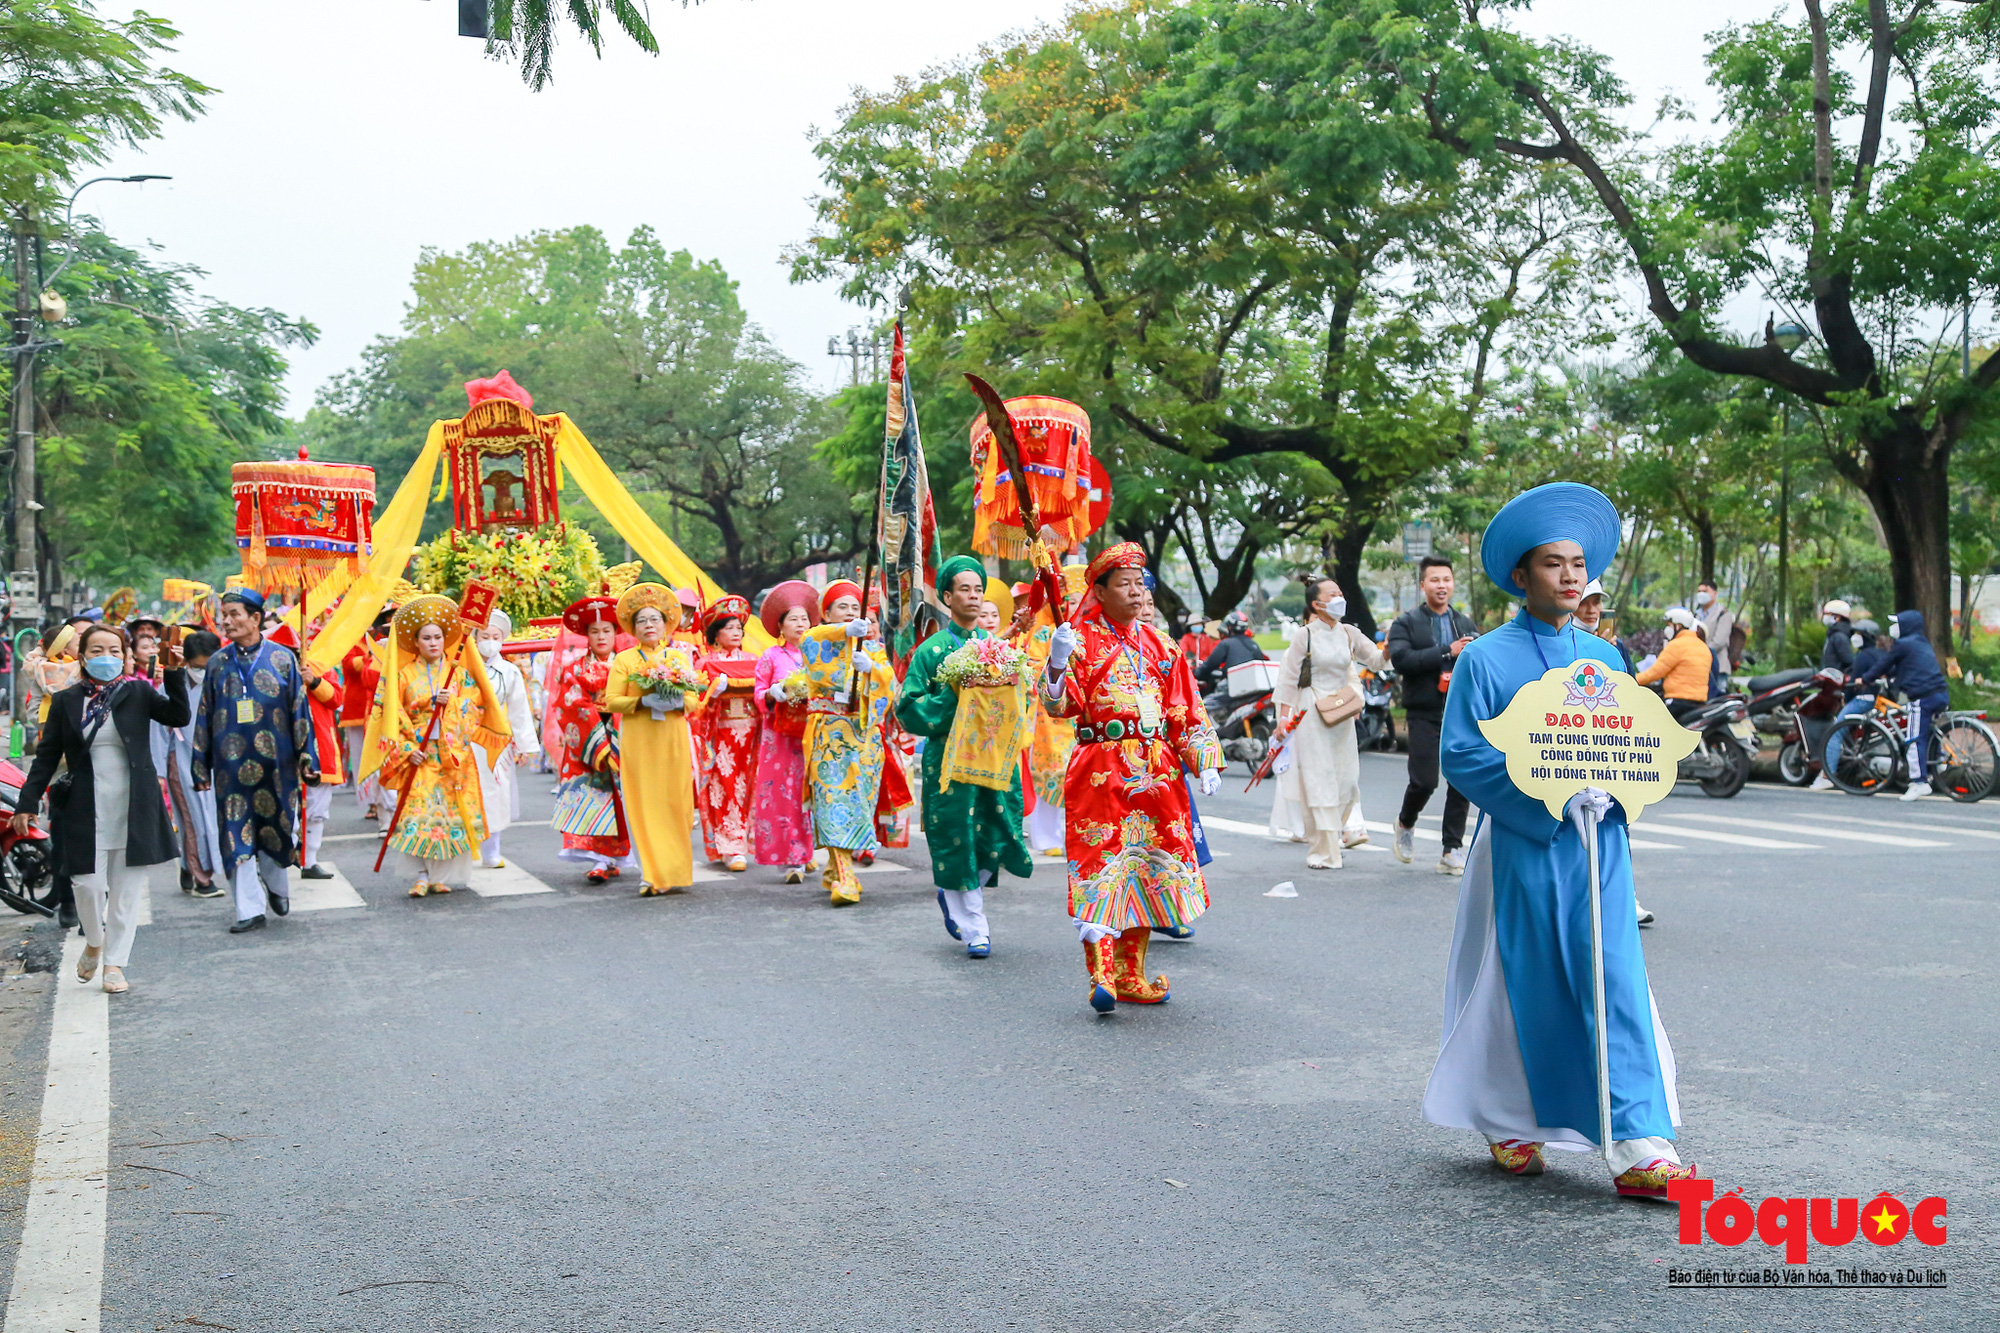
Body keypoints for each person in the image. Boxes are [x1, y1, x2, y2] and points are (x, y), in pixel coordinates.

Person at [1423, 481, 1694, 1198]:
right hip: (1524, 843)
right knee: (1523, 983)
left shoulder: (1605, 657)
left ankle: (1639, 1139)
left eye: (1577, 563)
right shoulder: (1485, 659)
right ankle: (1509, 1116)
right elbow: (1463, 754)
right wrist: (1548, 796)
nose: (1570, 575)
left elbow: (1635, 742)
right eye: (1553, 563)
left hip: (1600, 846)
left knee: (1613, 974)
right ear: (1521, 575)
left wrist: (1617, 792)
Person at [1040, 544, 1221, 1010]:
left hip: (1157, 769)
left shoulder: (1163, 645)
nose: (1137, 591)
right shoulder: (1077, 639)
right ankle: (1101, 972)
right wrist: (1058, 665)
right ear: (1098, 591)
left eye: (1141, 583)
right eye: (1125, 583)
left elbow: (1185, 708)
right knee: (1102, 863)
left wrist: (1203, 760)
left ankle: (1131, 973)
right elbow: (1060, 706)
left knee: (1148, 864)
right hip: (1102, 766)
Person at [14, 624, 190, 994]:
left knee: (126, 893)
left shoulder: (138, 691)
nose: (106, 657)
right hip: (85, 807)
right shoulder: (66, 700)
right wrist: (27, 803)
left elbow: (178, 716)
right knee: (87, 886)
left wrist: (174, 673)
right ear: (82, 656)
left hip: (133, 805)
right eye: (96, 650)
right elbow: (46, 758)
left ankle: (114, 965)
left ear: (125, 656)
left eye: (114, 650)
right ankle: (95, 941)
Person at [896, 555, 1035, 958]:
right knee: (958, 839)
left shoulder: (998, 650)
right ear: (946, 596)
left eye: (978, 589)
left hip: (995, 758)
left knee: (995, 832)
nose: (973, 597)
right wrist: (954, 694)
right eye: (965, 589)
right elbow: (909, 708)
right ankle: (975, 925)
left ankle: (954, 894)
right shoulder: (932, 650)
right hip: (950, 763)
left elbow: (1016, 699)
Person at [191, 587, 319, 934]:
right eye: (224, 615)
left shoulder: (283, 659)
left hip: (278, 766)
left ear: (256, 618)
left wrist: (308, 755)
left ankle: (277, 888)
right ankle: (248, 909)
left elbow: (299, 710)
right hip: (230, 769)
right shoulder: (217, 662)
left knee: (276, 828)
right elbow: (204, 715)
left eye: (234, 614)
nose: (227, 621)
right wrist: (200, 763)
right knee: (235, 834)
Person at [368, 595, 508, 896]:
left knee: (448, 815)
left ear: (445, 640)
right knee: (417, 814)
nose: (433, 643)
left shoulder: (458, 674)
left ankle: (439, 875)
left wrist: (453, 704)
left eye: (437, 637)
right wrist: (408, 749)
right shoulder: (404, 675)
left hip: (451, 756)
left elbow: (475, 707)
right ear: (415, 642)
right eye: (426, 638)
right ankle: (420, 874)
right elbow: (394, 716)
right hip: (419, 755)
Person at [1272, 573, 1388, 871]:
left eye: (1340, 593)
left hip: (1340, 712)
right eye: (1332, 595)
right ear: (1317, 604)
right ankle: (1323, 851)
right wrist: (1283, 719)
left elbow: (1374, 660)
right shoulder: (1304, 635)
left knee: (1347, 779)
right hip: (1311, 711)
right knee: (1319, 779)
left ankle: (1333, 835)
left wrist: (1391, 647)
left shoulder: (1349, 632)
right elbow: (1287, 681)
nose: (1340, 599)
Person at [593, 584, 702, 895]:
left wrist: (678, 702)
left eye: (655, 619)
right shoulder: (625, 660)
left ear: (666, 624)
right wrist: (642, 702)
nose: (649, 626)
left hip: (672, 738)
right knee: (644, 803)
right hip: (639, 739)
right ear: (634, 627)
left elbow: (694, 700)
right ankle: (651, 874)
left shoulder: (679, 658)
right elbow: (611, 700)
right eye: (642, 621)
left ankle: (676, 871)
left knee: (674, 803)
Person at [796, 580, 896, 906]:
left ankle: (835, 868)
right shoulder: (817, 639)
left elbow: (889, 687)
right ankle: (846, 879)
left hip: (865, 738)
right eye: (842, 607)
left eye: (856, 608)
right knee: (834, 801)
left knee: (859, 805)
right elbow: (810, 642)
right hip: (829, 736)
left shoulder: (874, 649)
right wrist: (842, 633)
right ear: (825, 613)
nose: (851, 613)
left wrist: (872, 673)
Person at [1387, 555, 1478, 875]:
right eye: (1435, 580)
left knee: (1462, 781)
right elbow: (1401, 659)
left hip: (1459, 711)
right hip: (1423, 711)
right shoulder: (1406, 623)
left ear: (1453, 584)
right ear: (1423, 584)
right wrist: (1445, 652)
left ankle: (1452, 848)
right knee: (1425, 781)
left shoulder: (1464, 623)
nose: (1442, 586)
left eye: (1447, 580)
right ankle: (1405, 822)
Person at [1572, 583, 1655, 927]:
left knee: (1617, 818)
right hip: (1570, 750)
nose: (1592, 611)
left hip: (1609, 749)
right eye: (1586, 604)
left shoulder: (1614, 647)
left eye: (1597, 604)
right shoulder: (1565, 644)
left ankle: (1624, 895)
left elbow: (1631, 692)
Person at [550, 594, 635, 883]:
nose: (601, 636)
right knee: (593, 799)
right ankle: (598, 860)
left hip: (622, 736)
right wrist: (598, 740)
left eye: (607, 630)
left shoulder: (628, 666)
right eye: (595, 631)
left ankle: (615, 858)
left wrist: (616, 730)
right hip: (586, 743)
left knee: (621, 800)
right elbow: (570, 704)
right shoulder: (573, 669)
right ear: (586, 635)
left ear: (616, 633)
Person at [1015, 566, 1087, 857]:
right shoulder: (1044, 630)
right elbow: (1032, 665)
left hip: (1080, 715)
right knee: (1051, 771)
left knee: (1078, 776)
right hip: (1049, 714)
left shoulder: (1086, 632)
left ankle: (1073, 835)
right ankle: (1046, 836)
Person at [753, 580, 818, 882]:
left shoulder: (821, 653)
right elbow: (758, 692)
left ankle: (806, 852)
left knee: (810, 790)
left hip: (812, 732)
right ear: (780, 625)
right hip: (780, 735)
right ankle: (792, 858)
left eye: (804, 618)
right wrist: (773, 693)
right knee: (784, 793)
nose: (800, 624)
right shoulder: (771, 656)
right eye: (793, 619)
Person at [269, 622, 344, 880]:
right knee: (283, 807)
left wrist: (313, 681)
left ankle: (310, 860)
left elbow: (336, 699)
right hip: (282, 748)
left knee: (318, 808)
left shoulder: (319, 667)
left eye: (292, 651)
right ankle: (284, 856)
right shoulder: (263, 672)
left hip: (319, 746)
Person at [1853, 610, 1951, 801]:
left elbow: (1884, 664)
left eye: (1896, 624)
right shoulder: (1921, 642)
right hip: (1940, 693)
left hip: (1922, 697)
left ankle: (1918, 783)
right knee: (1928, 732)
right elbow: (1903, 666)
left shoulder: (1902, 644)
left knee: (1914, 738)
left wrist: (1865, 679)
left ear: (1906, 626)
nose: (1892, 628)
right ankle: (1936, 764)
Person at [694, 595, 760, 872]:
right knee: (725, 786)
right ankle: (729, 845)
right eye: (729, 627)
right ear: (716, 634)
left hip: (753, 731)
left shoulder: (754, 660)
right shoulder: (705, 664)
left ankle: (742, 839)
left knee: (749, 787)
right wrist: (712, 693)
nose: (736, 632)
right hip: (721, 734)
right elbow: (695, 705)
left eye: (738, 627)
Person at [472, 610, 540, 868]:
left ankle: (492, 850)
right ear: (475, 638)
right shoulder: (463, 668)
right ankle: (468, 848)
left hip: (497, 740)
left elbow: (519, 709)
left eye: (495, 636)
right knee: (468, 790)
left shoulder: (509, 671)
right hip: (466, 738)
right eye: (484, 635)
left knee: (495, 792)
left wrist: (523, 746)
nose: (489, 640)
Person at [161, 629, 226, 897]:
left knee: (214, 819)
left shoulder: (225, 680)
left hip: (218, 761)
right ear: (186, 661)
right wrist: (158, 769)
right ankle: (202, 878)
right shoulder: (170, 685)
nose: (203, 671)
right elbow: (158, 730)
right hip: (183, 759)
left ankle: (190, 864)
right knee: (193, 819)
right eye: (198, 666)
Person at [341, 614, 386, 816]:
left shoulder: (383, 640)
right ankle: (371, 802)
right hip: (357, 706)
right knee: (361, 756)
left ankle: (386, 800)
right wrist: (371, 655)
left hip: (380, 705)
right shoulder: (351, 640)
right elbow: (351, 666)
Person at [1634, 607, 1711, 722]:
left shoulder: (1676, 645)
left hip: (1678, 701)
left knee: (1651, 723)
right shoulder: (1703, 646)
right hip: (1700, 701)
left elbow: (1655, 673)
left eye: (1669, 625)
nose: (1667, 629)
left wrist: (1632, 680)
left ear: (1678, 625)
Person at [1192, 610, 1268, 697]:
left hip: (1231, 687)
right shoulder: (1253, 644)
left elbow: (1210, 664)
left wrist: (1195, 673)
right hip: (1253, 687)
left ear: (1229, 627)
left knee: (1205, 707)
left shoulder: (1225, 644)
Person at [1572, 580, 1636, 673]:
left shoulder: (1615, 644)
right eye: (1582, 603)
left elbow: (1629, 682)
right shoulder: (1565, 642)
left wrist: (1609, 652)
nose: (1591, 610)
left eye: (1596, 602)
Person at [1694, 579, 1735, 697]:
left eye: (1705, 591)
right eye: (1699, 591)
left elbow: (1719, 641)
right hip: (1699, 667)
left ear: (1715, 593)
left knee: (1717, 700)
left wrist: (1699, 652)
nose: (1701, 594)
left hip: (1718, 667)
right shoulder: (1696, 614)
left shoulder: (1723, 614)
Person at [1819, 598, 1855, 673]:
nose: (1825, 617)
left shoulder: (1839, 636)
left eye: (1828, 614)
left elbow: (1848, 661)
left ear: (1838, 617)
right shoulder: (1833, 634)